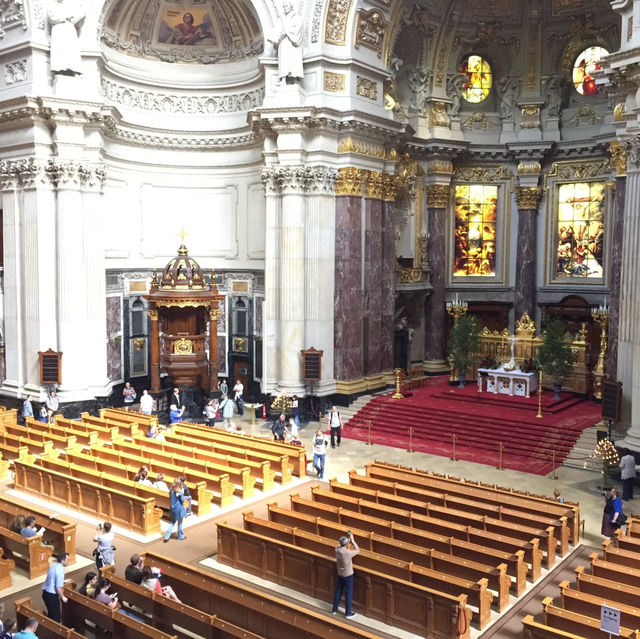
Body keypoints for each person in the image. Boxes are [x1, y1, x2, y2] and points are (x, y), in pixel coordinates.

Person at [269, 0, 304, 85]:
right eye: (283, 7)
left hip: (292, 43)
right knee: (284, 60)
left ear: (291, 7)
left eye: (286, 6)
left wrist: (286, 32)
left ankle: (295, 79)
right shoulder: (282, 19)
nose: (285, 8)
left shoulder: (297, 18)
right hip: (284, 42)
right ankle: (283, 79)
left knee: (294, 60)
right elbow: (278, 30)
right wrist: (273, 38)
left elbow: (297, 29)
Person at [47, 0, 84, 76]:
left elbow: (76, 18)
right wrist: (65, 17)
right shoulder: (52, 5)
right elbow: (51, 17)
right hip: (59, 29)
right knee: (60, 49)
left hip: (69, 29)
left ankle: (71, 68)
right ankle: (60, 68)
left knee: (70, 48)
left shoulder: (69, 5)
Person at [332, 532, 359, 619]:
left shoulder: (337, 549)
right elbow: (358, 550)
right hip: (348, 575)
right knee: (348, 593)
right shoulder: (347, 553)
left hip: (340, 573)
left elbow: (340, 546)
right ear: (346, 544)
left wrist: (347, 542)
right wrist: (353, 541)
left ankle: (334, 610)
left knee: (338, 591)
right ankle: (348, 613)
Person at [41, 552, 70, 622]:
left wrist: (62, 581)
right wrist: (63, 597)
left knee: (51, 614)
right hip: (52, 596)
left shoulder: (53, 566)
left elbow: (52, 579)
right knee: (56, 618)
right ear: (62, 561)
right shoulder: (60, 570)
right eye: (67, 560)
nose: (68, 561)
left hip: (45, 593)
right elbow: (58, 588)